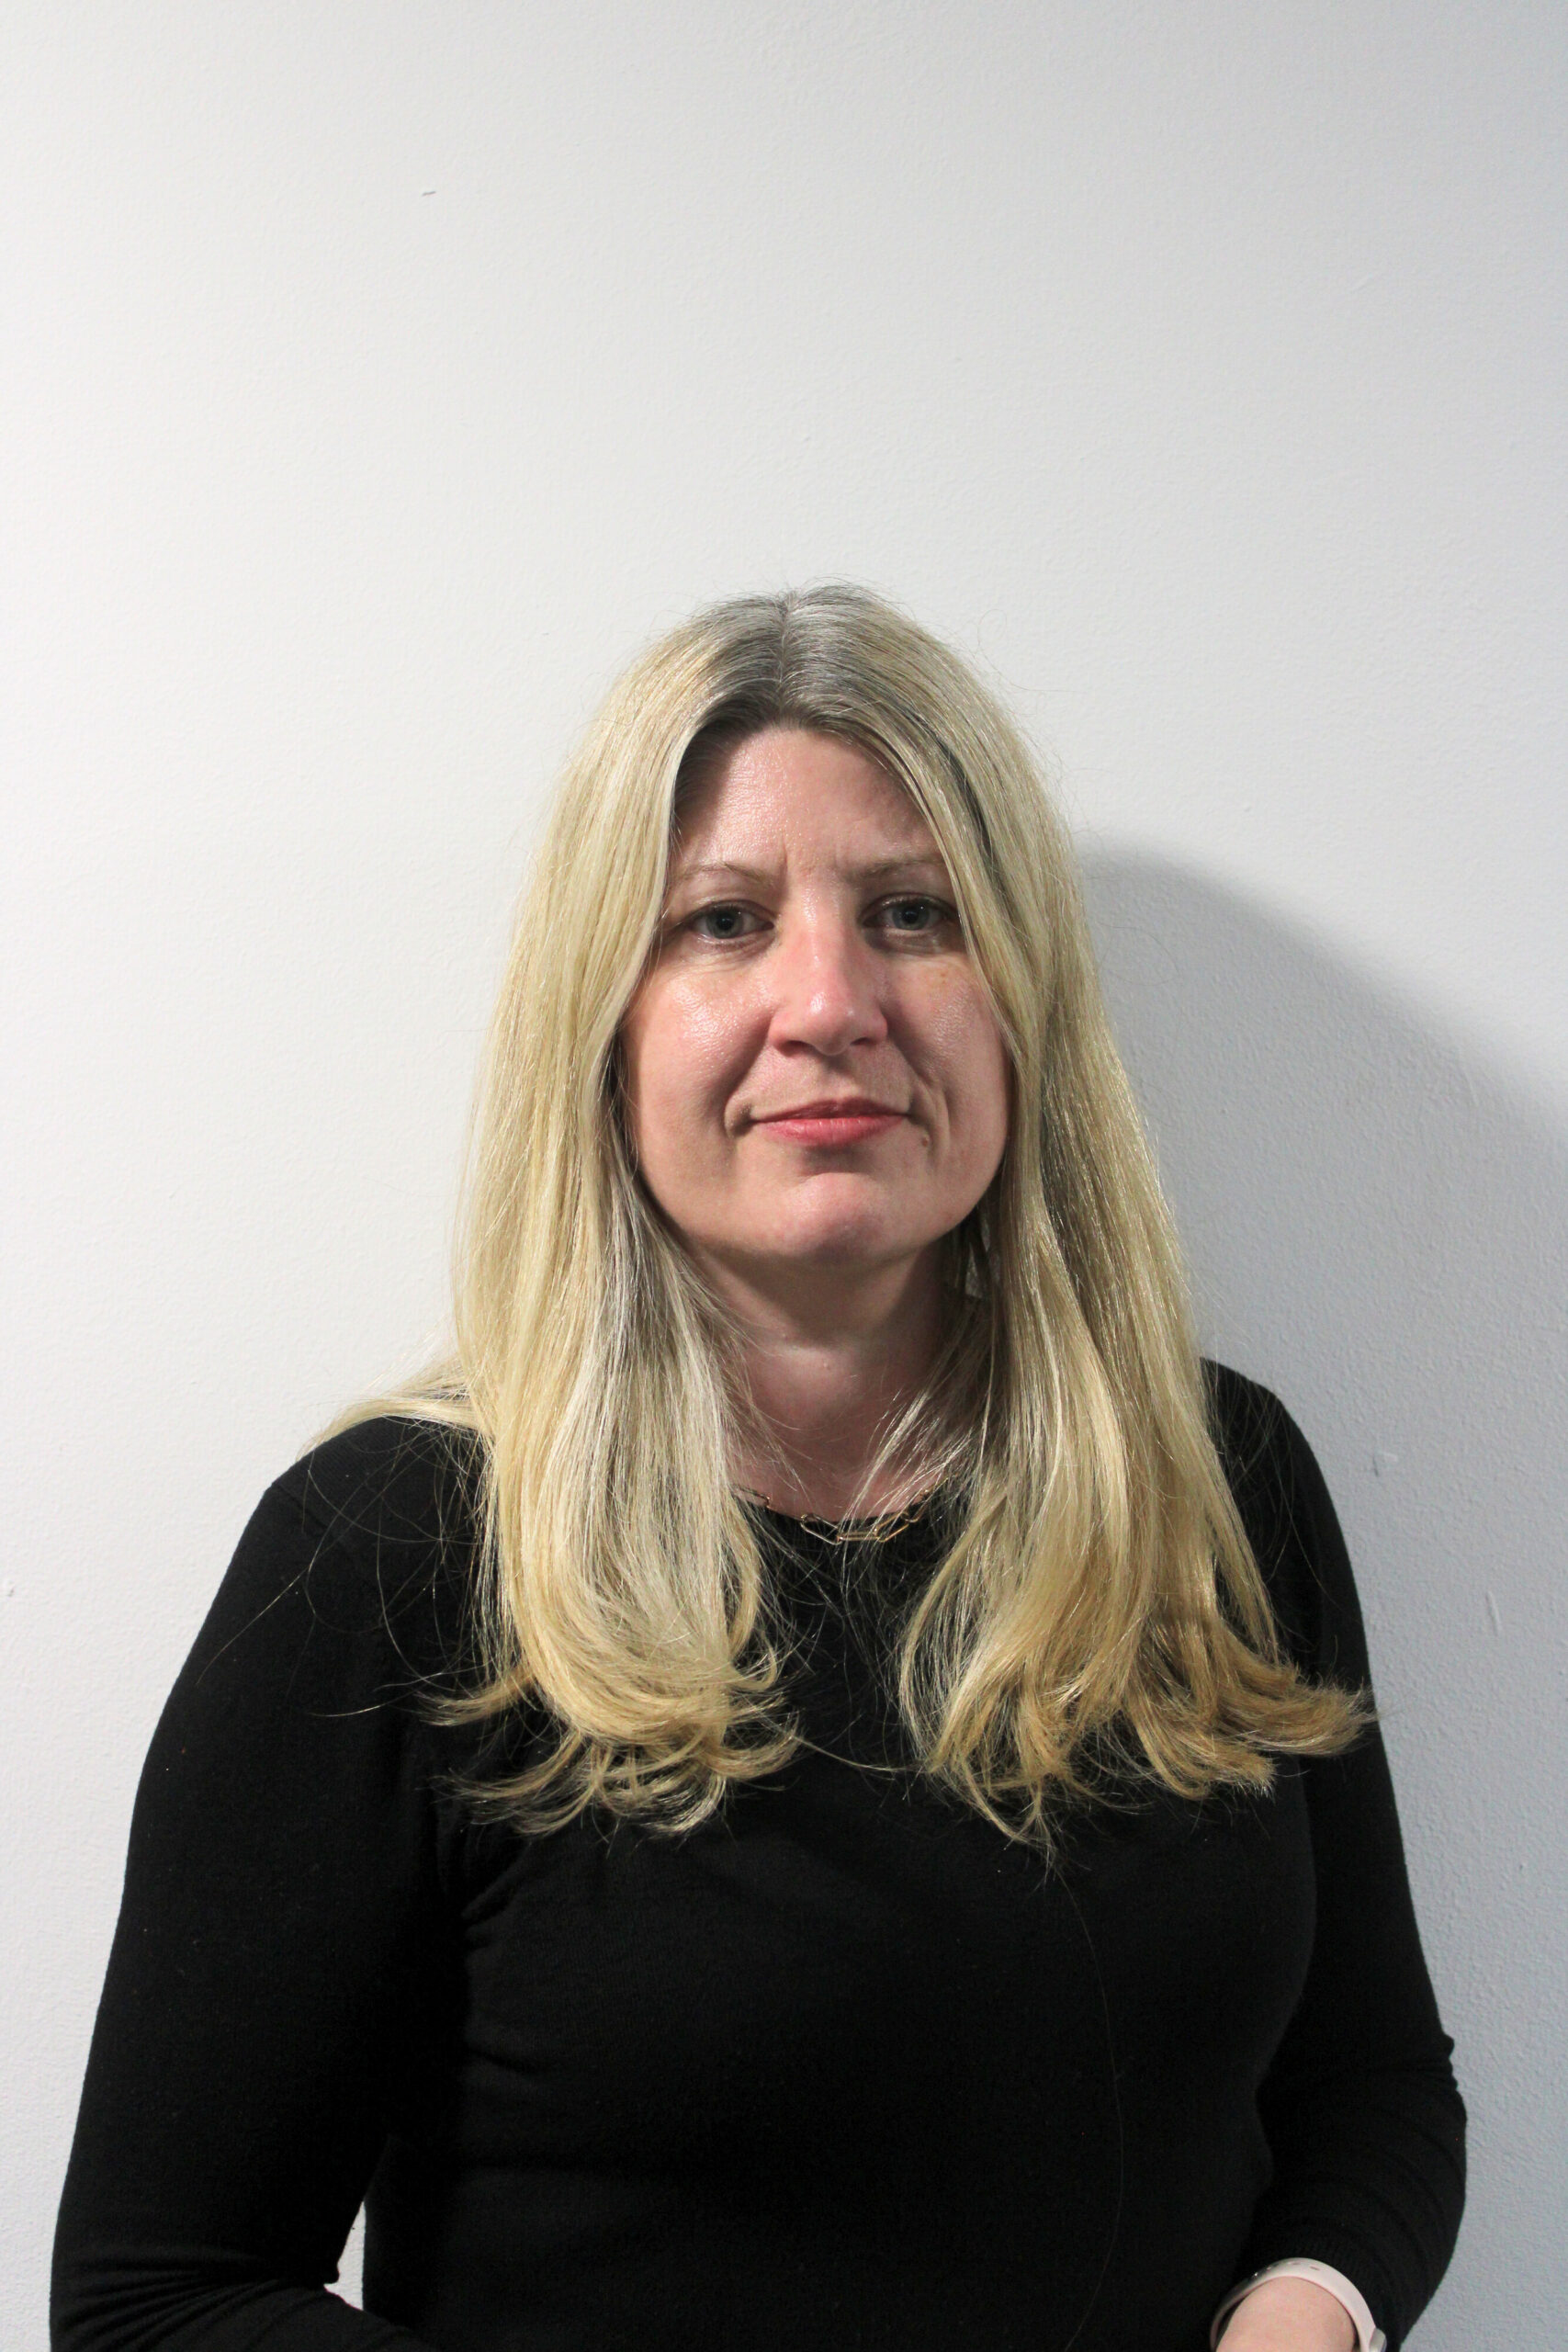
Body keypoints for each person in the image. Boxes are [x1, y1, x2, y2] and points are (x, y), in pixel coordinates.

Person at [52, 586, 1464, 2351]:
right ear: (610, 1019)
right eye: (723, 920)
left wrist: (1311, 2312)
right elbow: (159, 2298)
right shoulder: (388, 1554)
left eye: (913, 914)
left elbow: (1376, 2093)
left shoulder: (1219, 1483)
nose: (831, 1002)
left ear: (1022, 999)